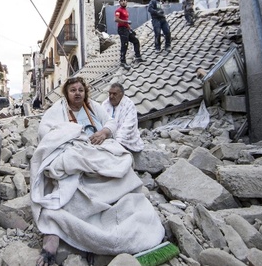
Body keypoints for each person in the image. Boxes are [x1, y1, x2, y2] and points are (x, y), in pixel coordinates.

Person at [31, 77, 164, 266]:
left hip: (99, 147)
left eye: (80, 90)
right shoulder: (56, 110)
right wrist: (70, 134)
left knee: (123, 158)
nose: (77, 93)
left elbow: (111, 122)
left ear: (85, 92)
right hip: (73, 148)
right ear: (66, 94)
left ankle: (120, 209)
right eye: (73, 90)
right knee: (68, 166)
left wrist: (103, 133)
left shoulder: (93, 107)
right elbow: (45, 131)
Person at [101, 83, 144, 152]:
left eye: (114, 94)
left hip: (124, 139)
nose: (111, 96)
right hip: (107, 137)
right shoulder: (105, 104)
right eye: (110, 93)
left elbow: (128, 126)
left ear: (121, 94)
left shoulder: (129, 105)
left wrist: (116, 142)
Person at [114, 0, 144, 70]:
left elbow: (126, 22)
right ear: (120, 2)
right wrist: (126, 21)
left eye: (125, 0)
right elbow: (116, 20)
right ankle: (122, 62)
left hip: (126, 29)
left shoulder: (126, 11)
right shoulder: (118, 10)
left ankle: (138, 57)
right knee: (124, 45)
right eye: (122, 1)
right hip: (122, 29)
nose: (124, 2)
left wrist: (131, 29)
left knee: (136, 41)